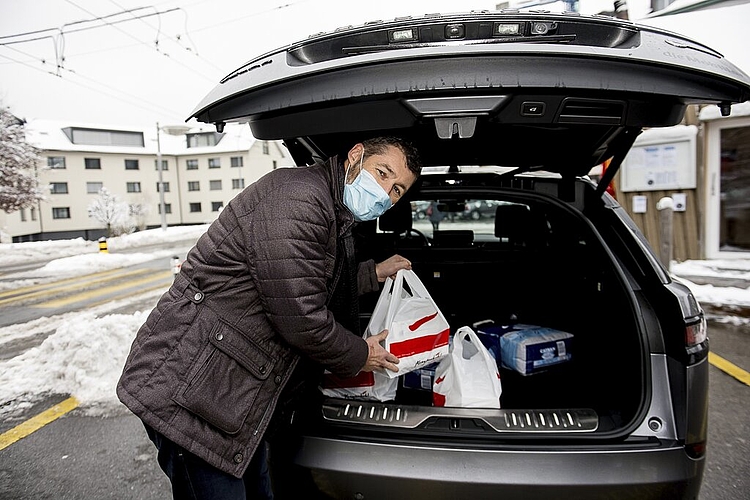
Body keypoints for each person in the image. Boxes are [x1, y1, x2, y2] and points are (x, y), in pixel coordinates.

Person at [116, 136, 422, 499]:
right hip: (194, 389)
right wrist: (360, 354)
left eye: (397, 190)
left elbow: (304, 276)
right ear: (356, 156)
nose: (385, 192)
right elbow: (300, 315)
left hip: (226, 392)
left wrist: (372, 274)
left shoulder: (329, 207)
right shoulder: (298, 199)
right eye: (382, 173)